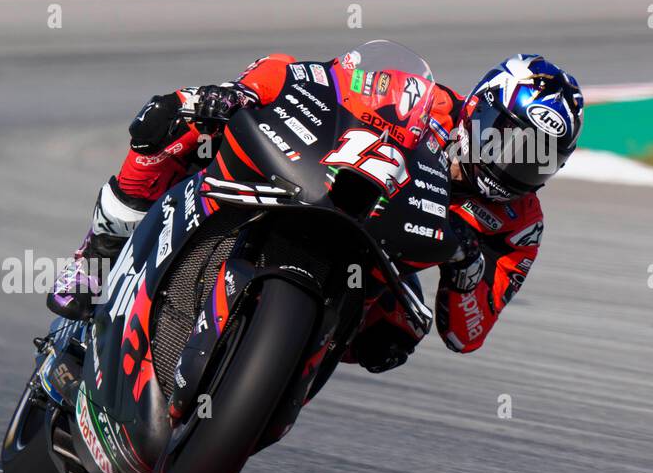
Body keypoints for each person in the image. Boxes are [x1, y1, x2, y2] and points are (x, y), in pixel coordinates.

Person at [48, 48, 583, 371]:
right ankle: (99, 249)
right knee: (181, 128)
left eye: (536, 160)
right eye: (507, 142)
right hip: (312, 189)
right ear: (479, 109)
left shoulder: (521, 226)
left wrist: (467, 277)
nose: (514, 167)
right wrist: (233, 95)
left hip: (372, 264)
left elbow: (467, 335)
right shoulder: (424, 100)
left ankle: (280, 370)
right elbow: (309, 78)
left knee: (397, 336)